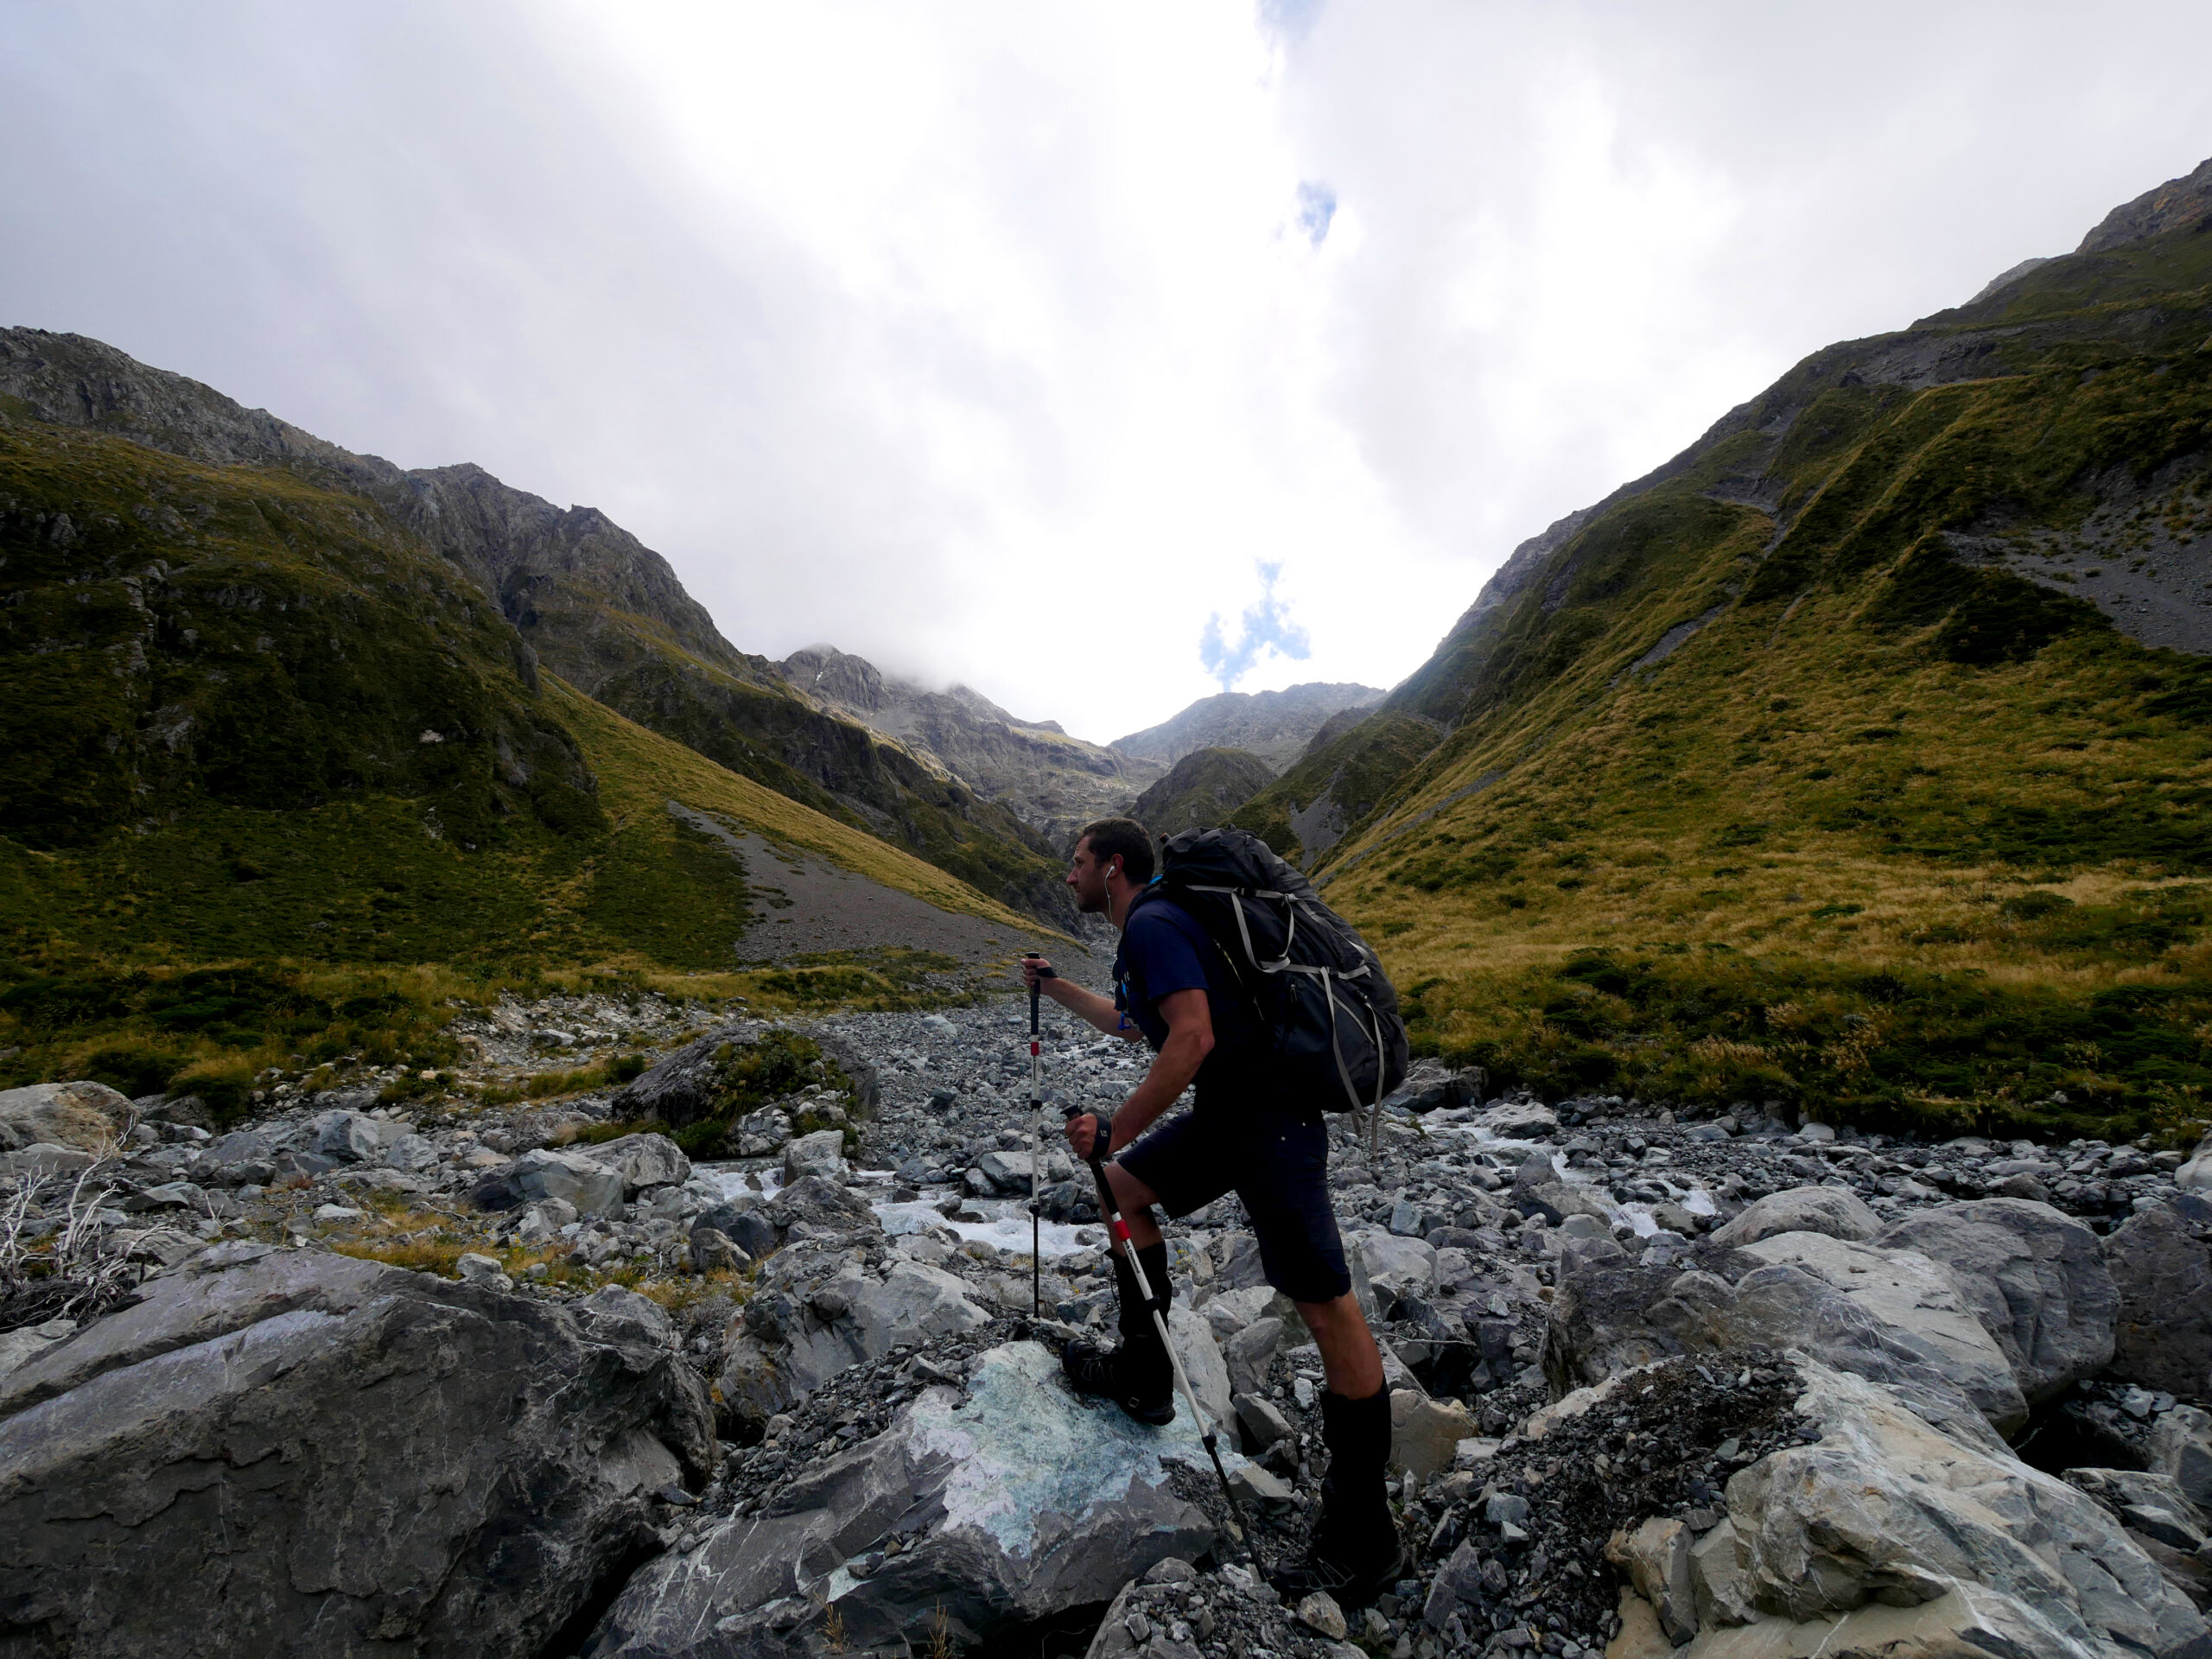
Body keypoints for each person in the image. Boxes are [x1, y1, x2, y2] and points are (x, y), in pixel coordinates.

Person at [1021, 816, 1405, 1606]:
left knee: (1327, 1307)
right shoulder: (1152, 929)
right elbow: (1139, 1023)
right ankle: (1144, 1371)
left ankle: (1365, 1539)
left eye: (1078, 863)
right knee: (1119, 1190)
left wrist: (1115, 1129)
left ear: (1113, 867)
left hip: (1268, 1123)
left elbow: (1189, 1039)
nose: (1070, 877)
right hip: (1233, 1118)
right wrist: (1056, 987)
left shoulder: (1157, 922)